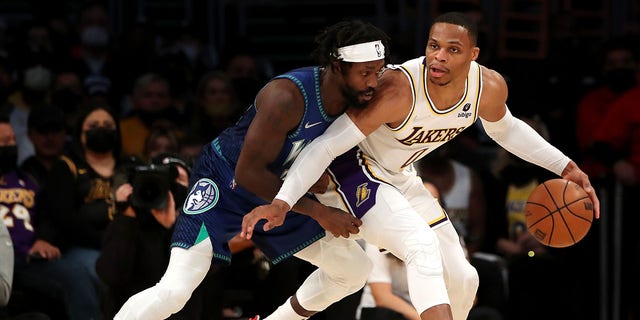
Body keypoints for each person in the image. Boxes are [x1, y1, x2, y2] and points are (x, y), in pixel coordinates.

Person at [243, 11, 600, 320]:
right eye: (433, 46)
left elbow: (505, 129)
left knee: (464, 278)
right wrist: (283, 201)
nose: (438, 57)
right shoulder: (398, 88)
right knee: (420, 246)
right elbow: (325, 146)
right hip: (351, 170)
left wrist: (565, 166)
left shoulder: (487, 87)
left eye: (452, 50)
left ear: (473, 55)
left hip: (399, 177)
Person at [114, 20, 390, 320]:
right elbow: (249, 174)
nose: (374, 82)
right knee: (175, 292)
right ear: (337, 67)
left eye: (378, 71)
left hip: (278, 191)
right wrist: (320, 212)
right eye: (365, 73)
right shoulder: (286, 96)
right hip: (225, 183)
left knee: (354, 270)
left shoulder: (359, 99)